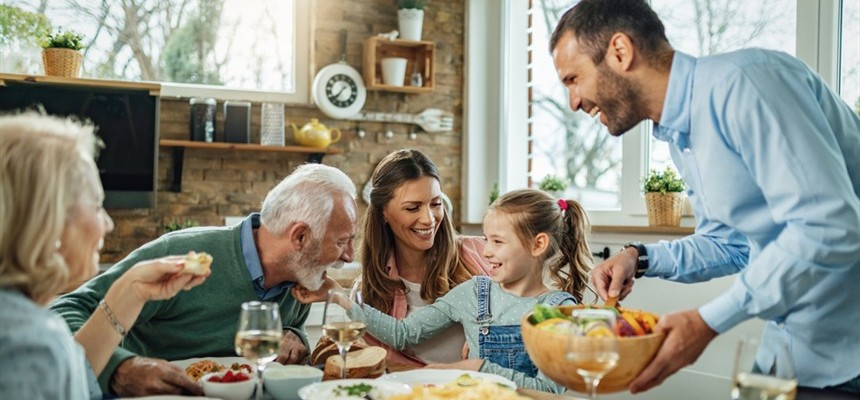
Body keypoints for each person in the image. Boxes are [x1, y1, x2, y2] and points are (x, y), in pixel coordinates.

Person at [550, 0, 860, 394]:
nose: (573, 102)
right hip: (789, 356)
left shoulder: (748, 83)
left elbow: (829, 226)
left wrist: (707, 321)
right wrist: (639, 258)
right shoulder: (683, 135)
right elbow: (732, 244)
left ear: (620, 52)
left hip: (848, 360)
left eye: (573, 79)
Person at [50, 162, 358, 397]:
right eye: (343, 241)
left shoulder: (302, 277)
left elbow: (291, 336)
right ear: (300, 236)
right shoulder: (183, 253)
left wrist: (295, 337)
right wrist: (120, 367)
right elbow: (63, 312)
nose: (348, 256)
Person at [297, 189, 593, 392]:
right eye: (486, 240)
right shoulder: (475, 293)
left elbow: (550, 390)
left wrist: (479, 367)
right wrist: (339, 297)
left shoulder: (558, 310)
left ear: (538, 245)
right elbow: (404, 334)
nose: (486, 251)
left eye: (498, 242)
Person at [0, 112, 209, 399]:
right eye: (98, 205)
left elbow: (76, 378)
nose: (108, 223)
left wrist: (132, 290)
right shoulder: (29, 346)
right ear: (50, 219)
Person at [358, 148, 491, 368]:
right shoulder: (369, 292)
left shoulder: (482, 253)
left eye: (436, 204)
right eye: (413, 208)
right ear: (383, 213)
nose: (429, 219)